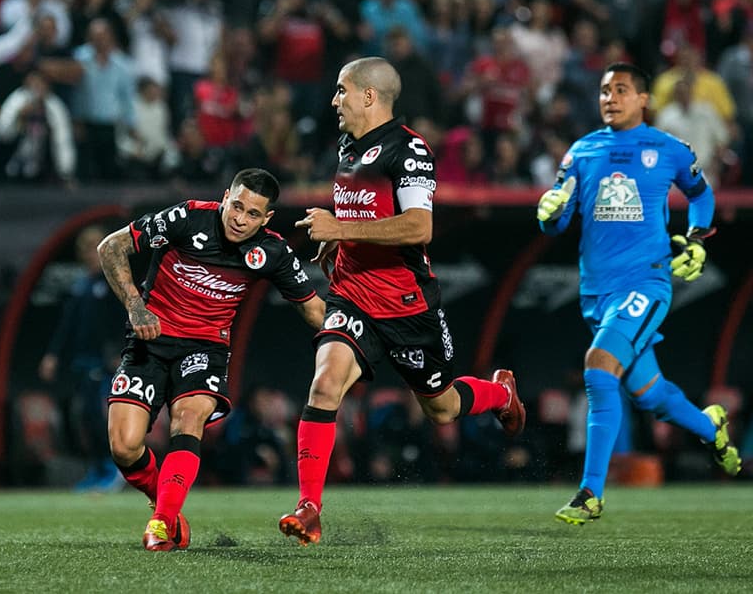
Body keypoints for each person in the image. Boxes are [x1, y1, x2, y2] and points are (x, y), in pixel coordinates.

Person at [280, 57, 524, 546]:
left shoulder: (410, 150)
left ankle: (500, 392)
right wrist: (338, 242)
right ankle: (309, 508)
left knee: (442, 409)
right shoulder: (348, 147)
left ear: (369, 96)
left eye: (341, 90)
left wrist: (340, 227)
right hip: (351, 295)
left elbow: (419, 227)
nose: (334, 100)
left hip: (407, 305)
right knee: (325, 386)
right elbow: (364, 210)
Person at [536, 62, 741, 525]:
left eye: (621, 89)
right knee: (650, 396)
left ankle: (590, 492)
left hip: (645, 283)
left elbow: (702, 194)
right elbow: (558, 220)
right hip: (596, 294)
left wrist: (693, 238)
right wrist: (549, 212)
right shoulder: (582, 151)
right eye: (605, 90)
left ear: (643, 99)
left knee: (598, 366)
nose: (610, 97)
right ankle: (711, 427)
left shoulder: (667, 149)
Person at [98, 168, 327, 552]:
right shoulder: (187, 218)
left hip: (205, 349)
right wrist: (136, 307)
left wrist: (357, 339)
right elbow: (110, 247)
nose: (240, 219)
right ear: (225, 197)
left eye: (253, 214)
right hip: (149, 342)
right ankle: (165, 503)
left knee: (188, 420)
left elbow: (315, 311)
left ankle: (162, 523)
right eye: (236, 206)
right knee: (123, 446)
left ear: (267, 218)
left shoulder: (271, 251)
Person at [38, 226, 126, 492]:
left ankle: (114, 469)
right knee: (85, 417)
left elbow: (124, 320)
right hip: (82, 361)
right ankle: (97, 467)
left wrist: (119, 352)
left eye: (96, 248)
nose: (91, 254)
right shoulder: (81, 286)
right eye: (86, 249)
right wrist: (52, 355)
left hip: (104, 362)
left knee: (103, 417)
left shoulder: (114, 283)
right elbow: (67, 326)